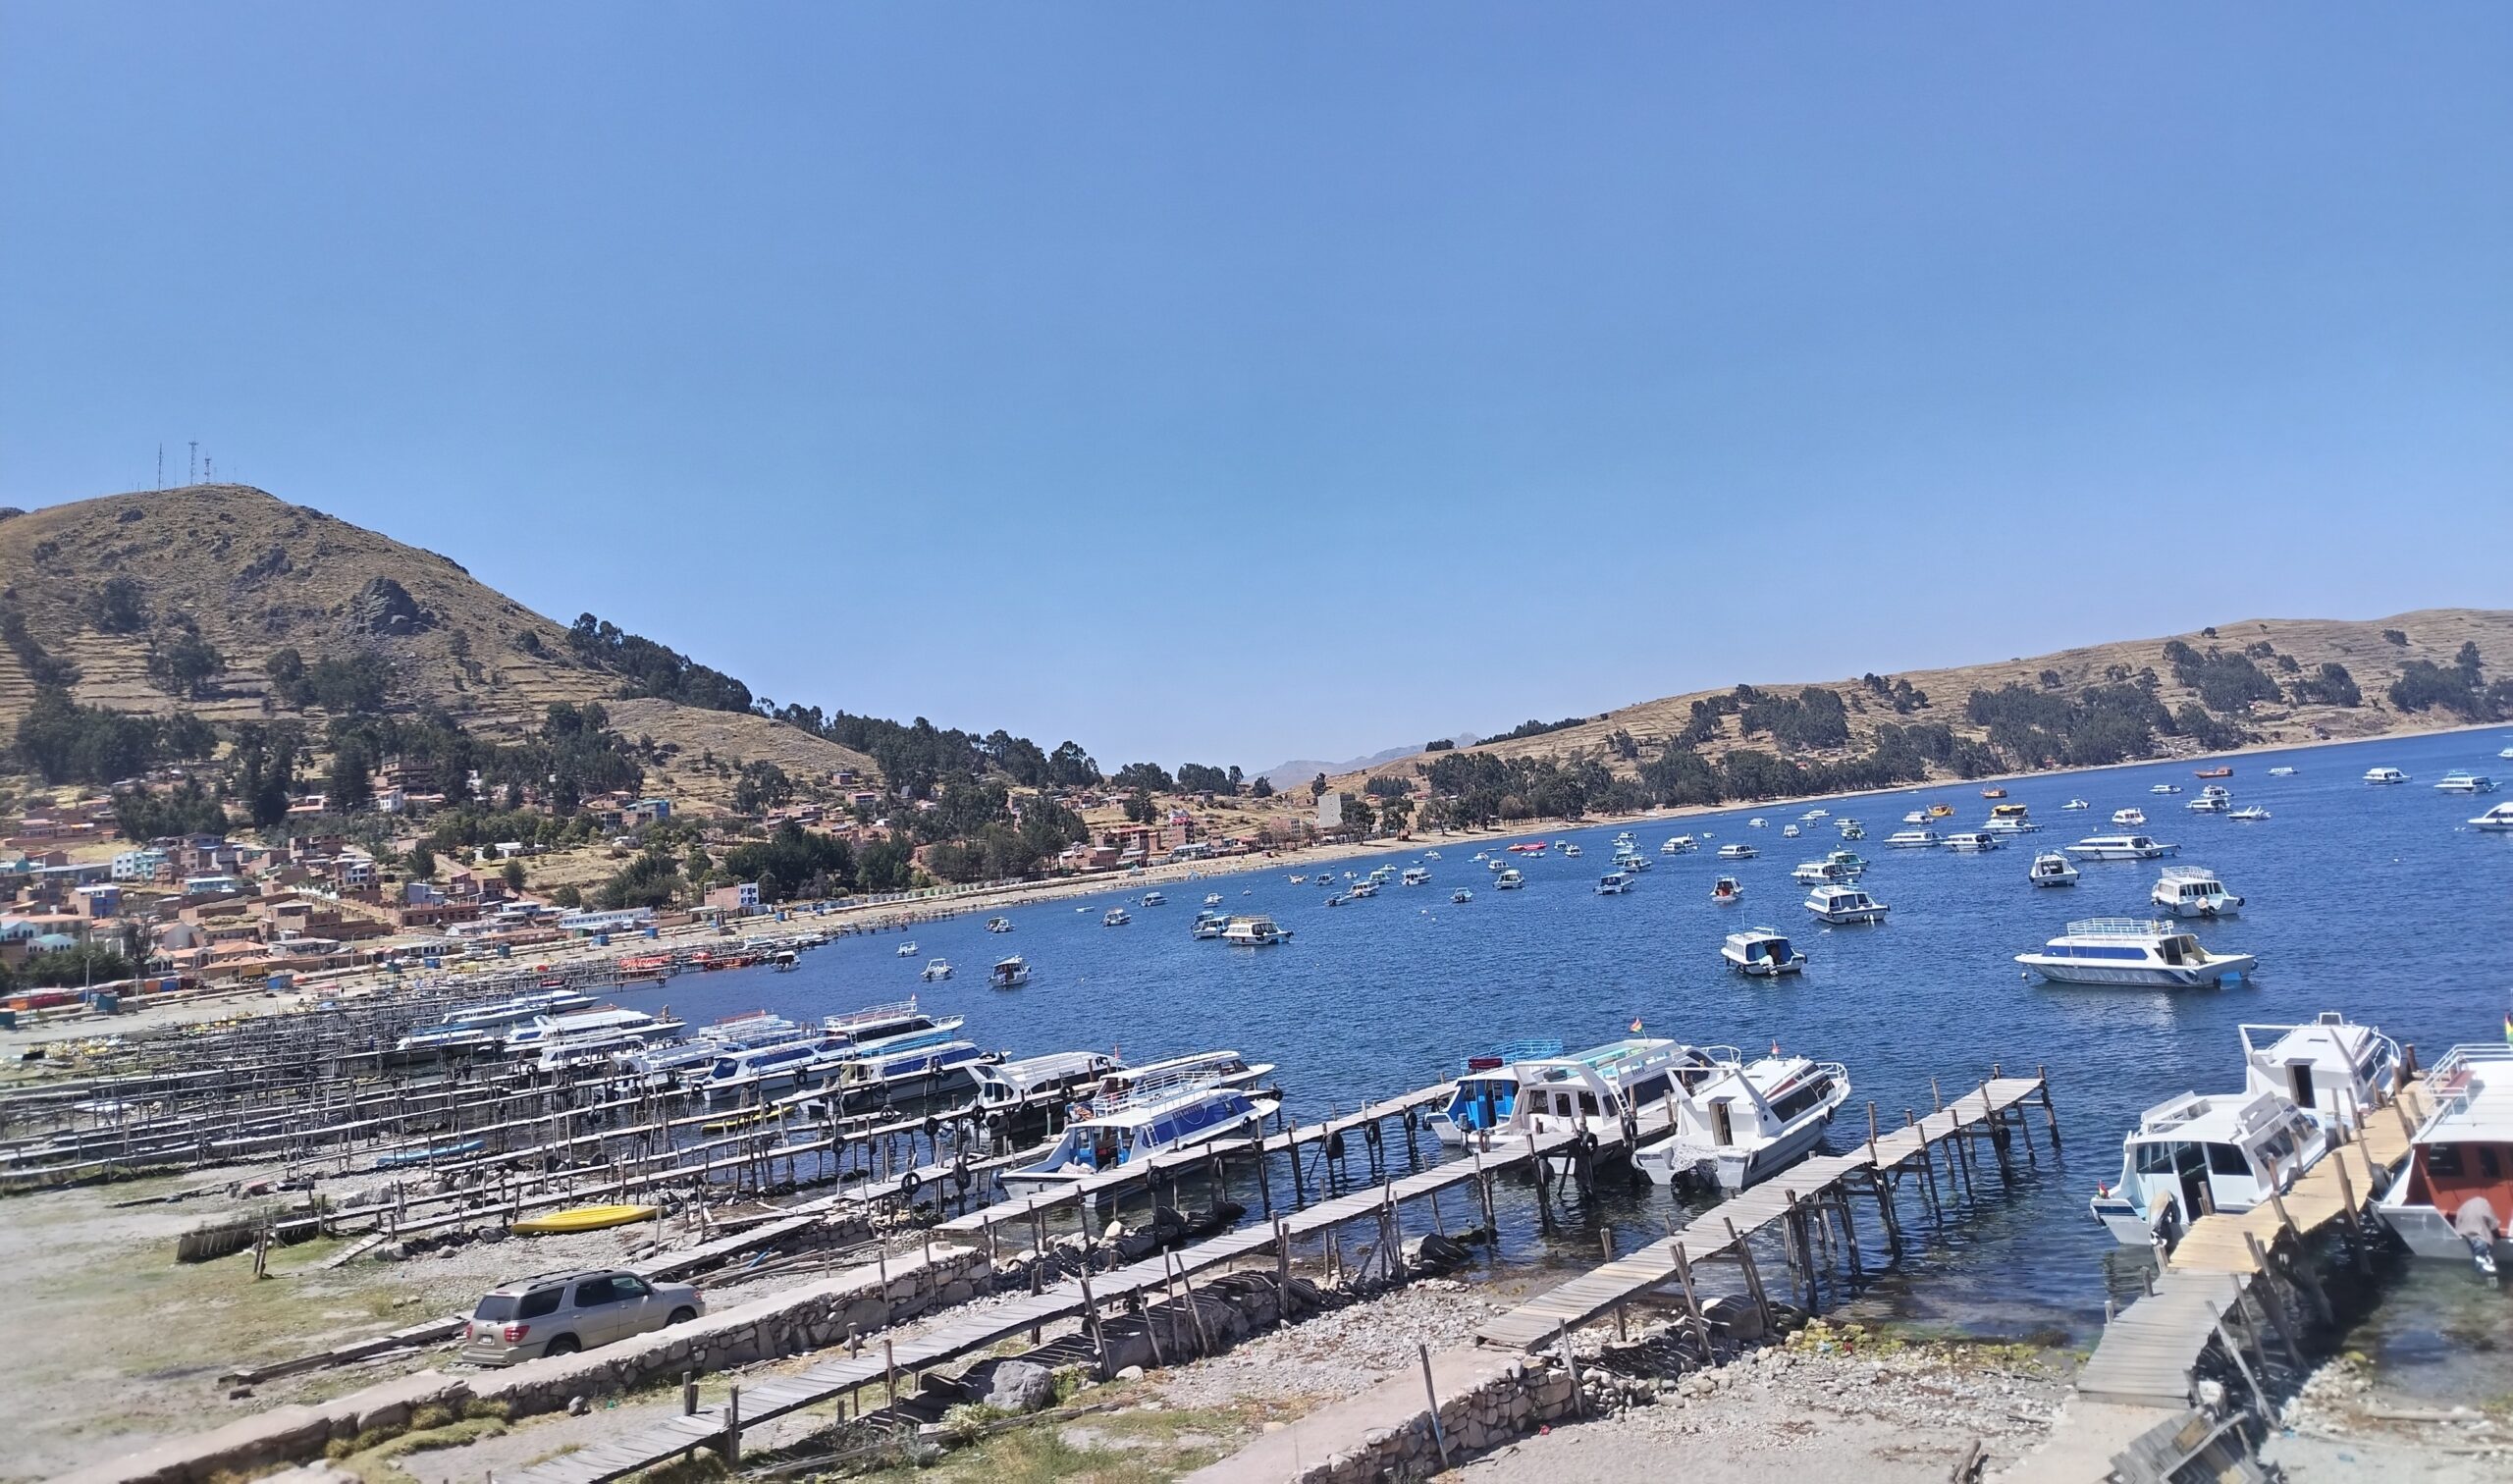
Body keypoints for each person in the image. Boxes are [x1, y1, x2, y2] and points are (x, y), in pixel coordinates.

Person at [2453, 1194, 2502, 1274]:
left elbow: (2458, 1222)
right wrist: (2498, 1236)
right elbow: (2493, 1223)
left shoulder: (2464, 1206)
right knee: (2484, 1263)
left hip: (2468, 1237)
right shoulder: (2484, 1204)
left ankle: (2477, 1278)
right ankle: (2483, 1281)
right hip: (2481, 1238)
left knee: (2478, 1258)